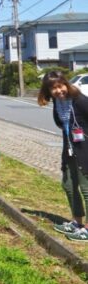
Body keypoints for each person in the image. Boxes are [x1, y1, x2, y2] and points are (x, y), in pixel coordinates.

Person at [38, 71, 88, 242]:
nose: (58, 90)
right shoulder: (57, 102)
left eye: (60, 86)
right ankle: (77, 222)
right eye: (54, 88)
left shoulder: (80, 100)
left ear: (66, 84)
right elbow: (62, 125)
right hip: (70, 148)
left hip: (84, 149)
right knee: (68, 184)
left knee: (86, 188)